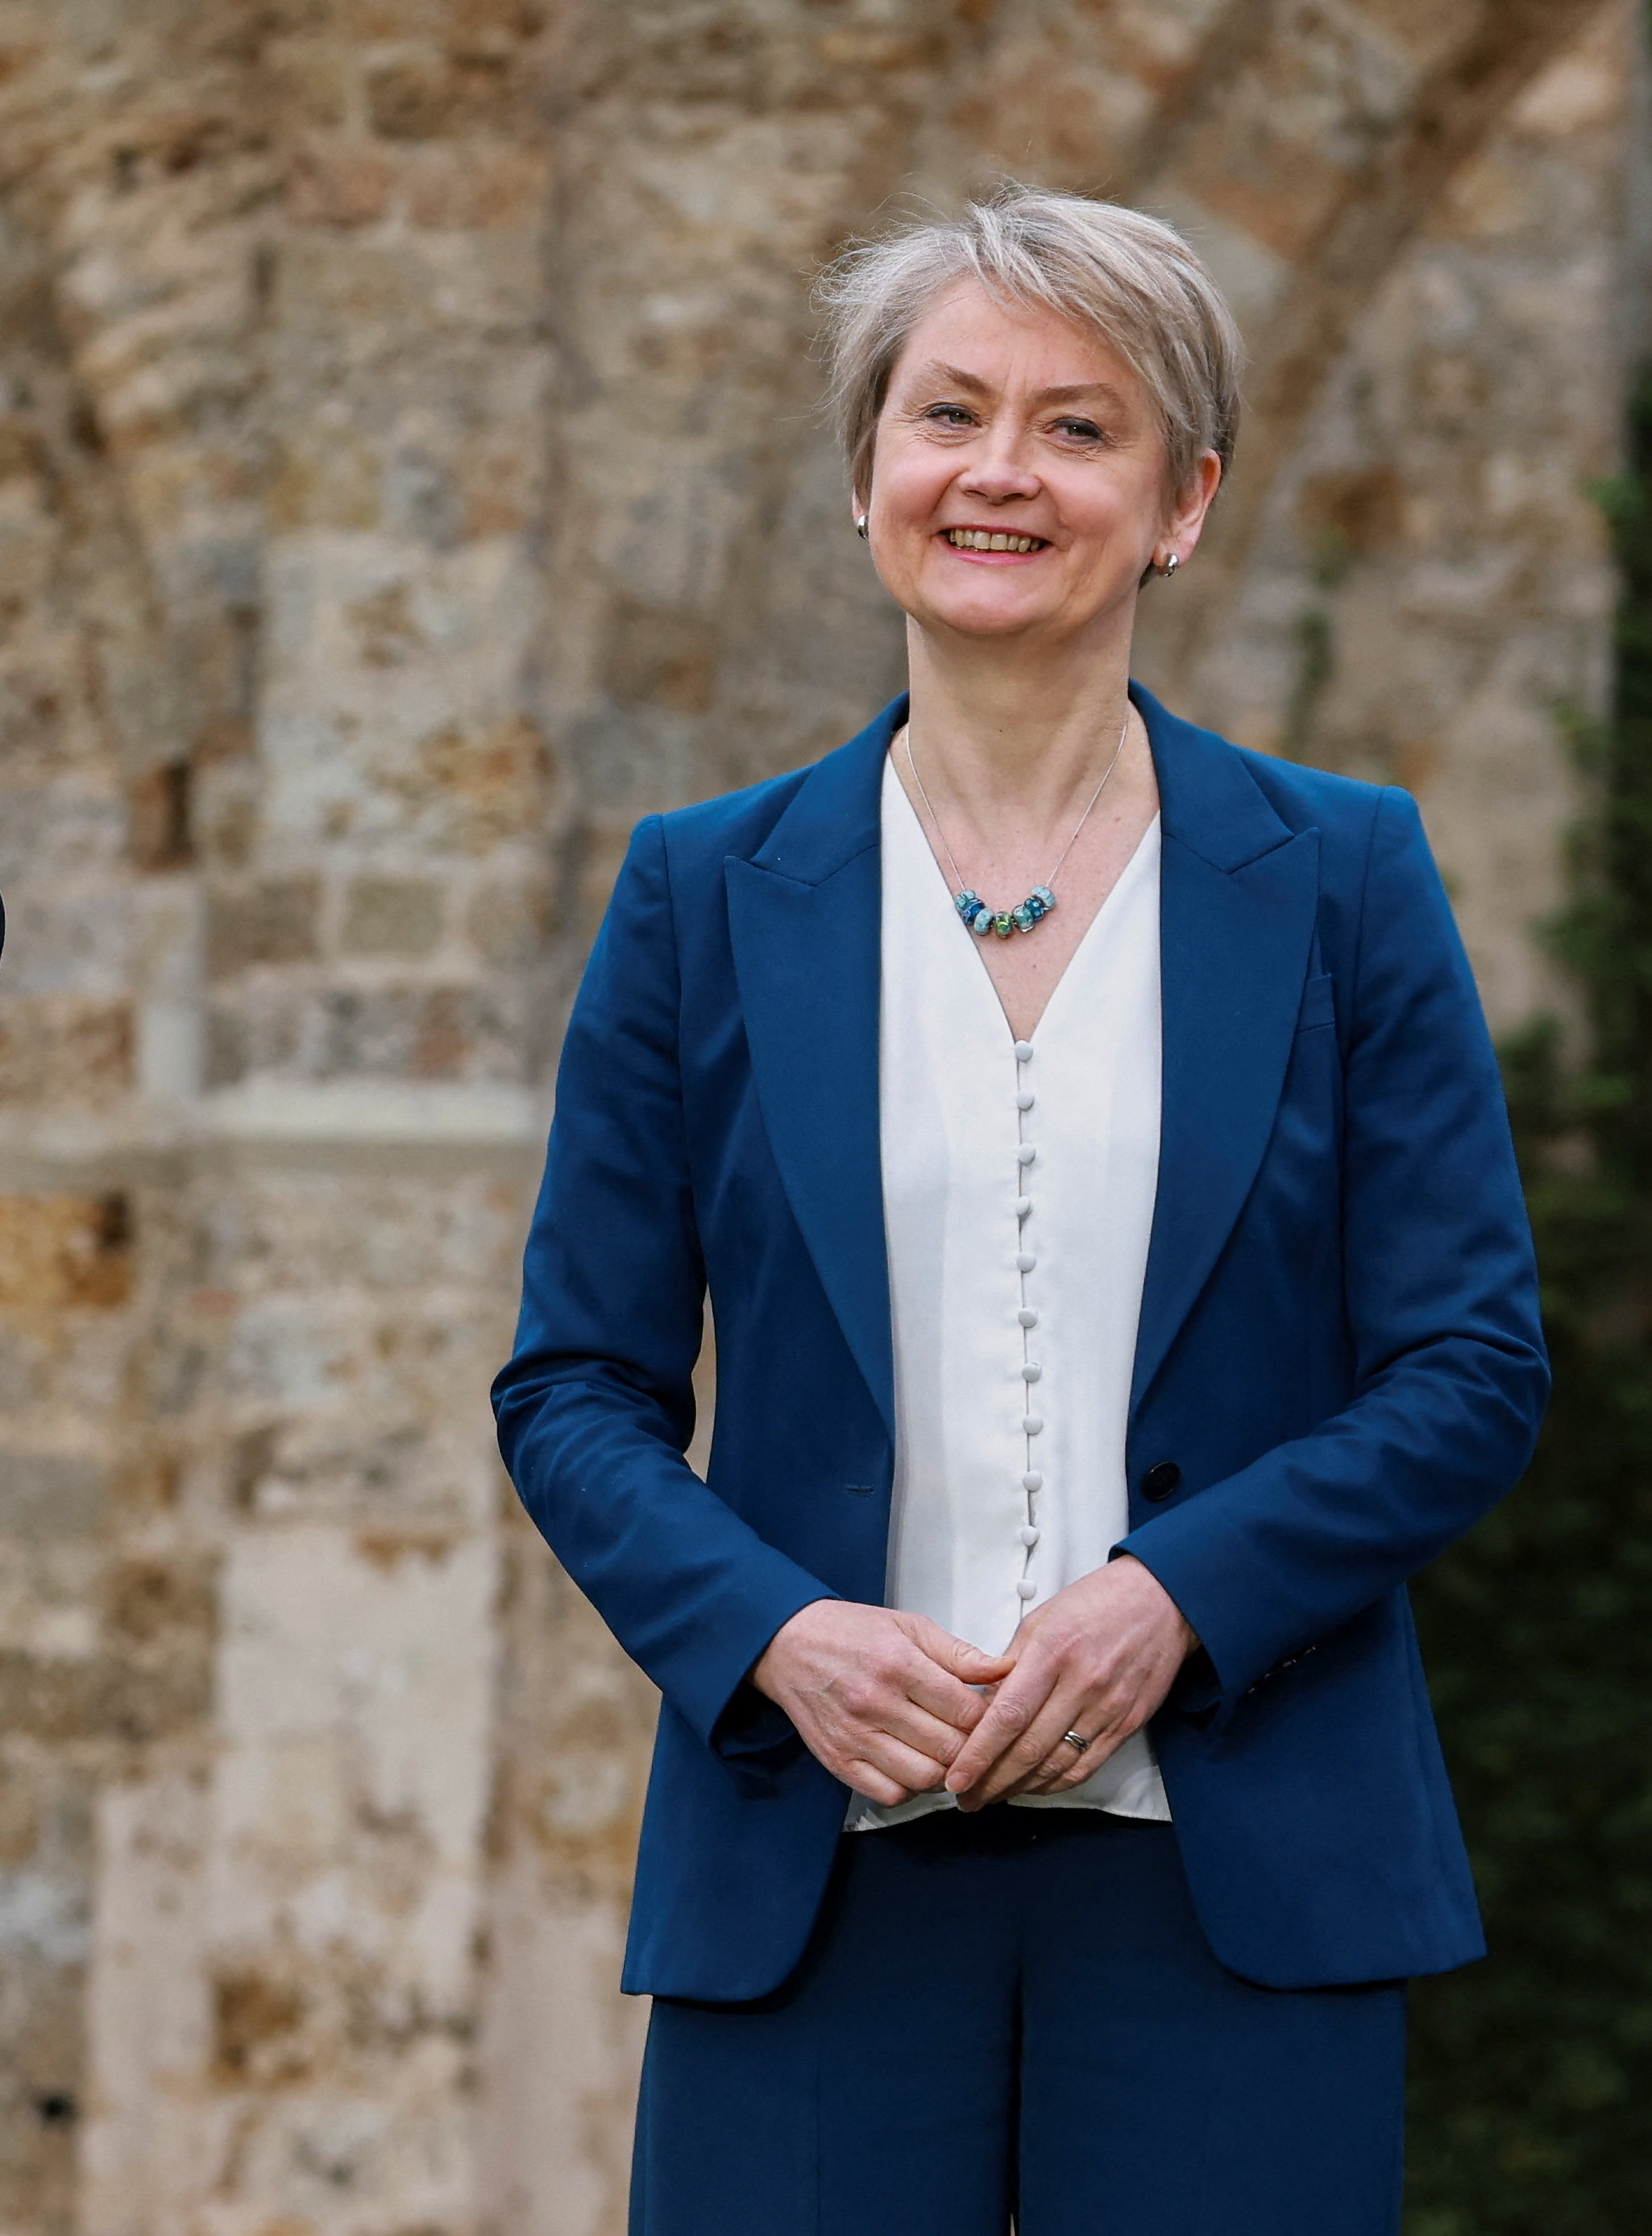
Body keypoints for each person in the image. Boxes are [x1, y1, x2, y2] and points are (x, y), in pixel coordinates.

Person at [491, 184, 1547, 2235]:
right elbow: (575, 1388)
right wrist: (775, 1634)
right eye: (947, 414)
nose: (999, 472)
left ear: (1183, 502)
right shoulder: (702, 896)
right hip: (812, 1876)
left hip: (1239, 1881)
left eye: (1078, 427)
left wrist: (1183, 1598)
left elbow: (1469, 1367)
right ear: (867, 476)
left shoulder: (1340, 879)